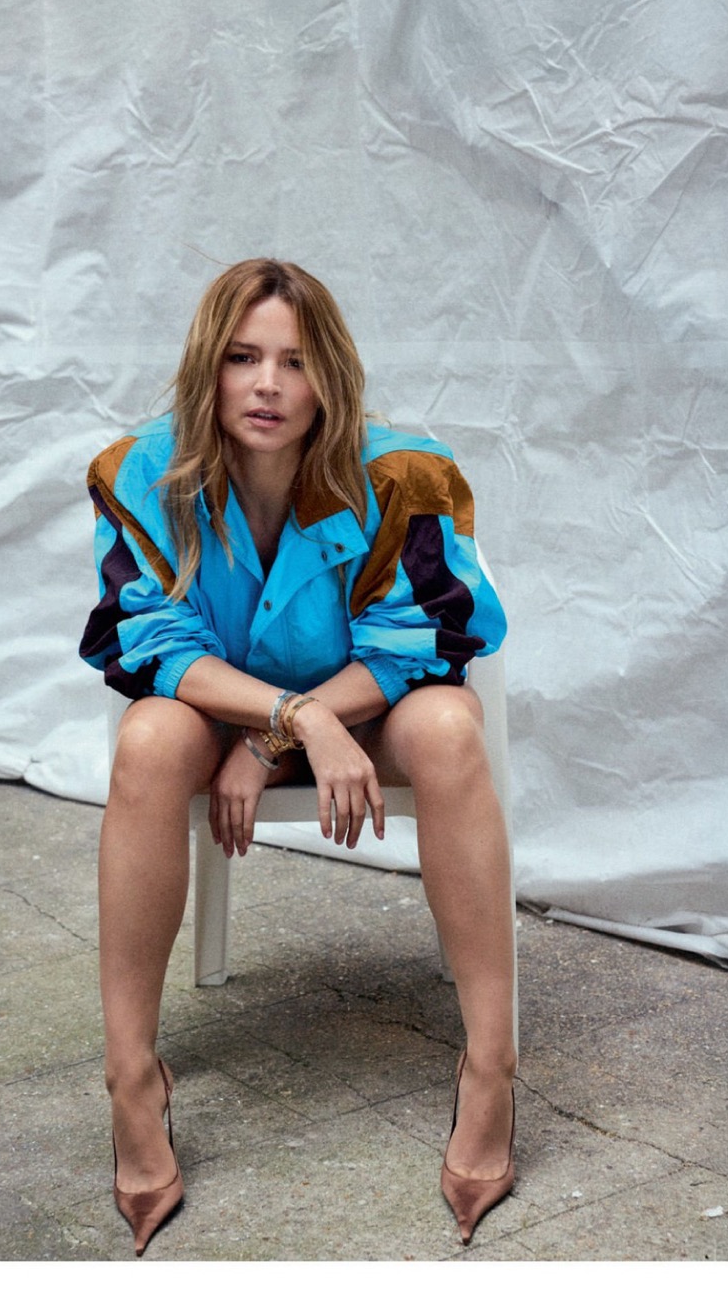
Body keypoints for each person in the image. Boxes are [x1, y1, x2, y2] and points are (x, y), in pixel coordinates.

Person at [80, 258, 516, 1255]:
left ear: (330, 377)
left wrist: (284, 729)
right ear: (209, 367)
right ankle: (131, 1078)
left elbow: (428, 638)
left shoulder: (403, 476)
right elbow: (148, 644)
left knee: (449, 726)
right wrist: (285, 720)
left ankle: (491, 1069)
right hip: (232, 718)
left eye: (295, 361)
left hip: (370, 717)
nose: (268, 384)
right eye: (243, 358)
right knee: (147, 737)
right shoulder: (139, 475)